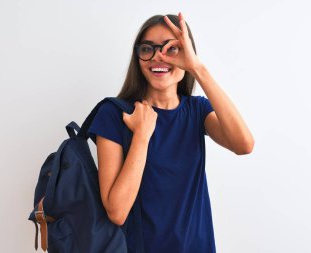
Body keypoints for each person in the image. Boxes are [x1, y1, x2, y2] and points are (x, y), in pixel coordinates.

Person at [87, 12, 254, 253]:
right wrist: (142, 135)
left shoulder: (197, 111)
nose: (158, 57)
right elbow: (117, 212)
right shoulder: (115, 114)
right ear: (138, 57)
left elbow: (244, 145)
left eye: (171, 49)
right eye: (148, 49)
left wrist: (198, 68)